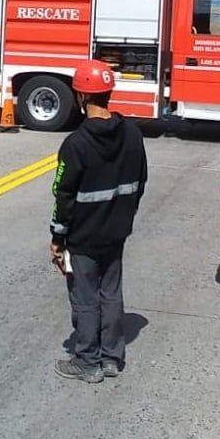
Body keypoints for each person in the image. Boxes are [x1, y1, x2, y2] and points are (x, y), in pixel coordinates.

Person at [50, 60, 148, 383]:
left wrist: (57, 237)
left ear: (80, 97)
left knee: (86, 297)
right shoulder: (133, 135)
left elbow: (63, 196)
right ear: (108, 94)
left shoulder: (75, 145)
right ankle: (112, 358)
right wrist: (123, 217)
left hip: (84, 238)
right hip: (117, 234)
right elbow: (140, 183)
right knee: (111, 293)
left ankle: (87, 360)